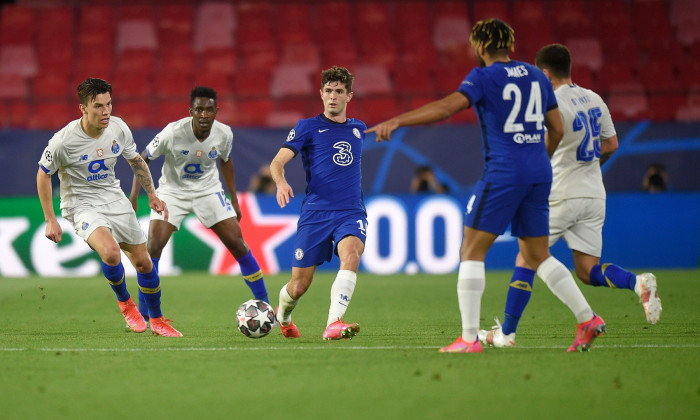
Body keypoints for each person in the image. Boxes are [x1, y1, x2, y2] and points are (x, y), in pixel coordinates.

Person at [366, 19, 606, 353]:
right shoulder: (538, 75)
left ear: (479, 47)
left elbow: (448, 106)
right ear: (509, 44)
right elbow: (557, 128)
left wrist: (398, 120)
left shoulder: (482, 76)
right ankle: (587, 319)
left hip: (504, 173)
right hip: (539, 173)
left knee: (471, 251)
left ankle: (468, 340)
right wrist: (537, 161)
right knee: (538, 255)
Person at [479, 44, 662, 348]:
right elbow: (612, 144)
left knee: (526, 257)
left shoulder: (549, 103)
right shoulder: (594, 99)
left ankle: (506, 333)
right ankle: (636, 282)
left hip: (560, 194)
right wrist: (584, 165)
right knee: (587, 270)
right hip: (593, 194)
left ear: (545, 73)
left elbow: (537, 146)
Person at [36, 78, 181, 337]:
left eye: (109, 104)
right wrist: (50, 218)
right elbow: (43, 174)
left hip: (113, 197)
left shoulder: (119, 128)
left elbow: (136, 161)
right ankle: (126, 304)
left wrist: (152, 194)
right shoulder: (63, 141)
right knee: (112, 253)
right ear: (83, 109)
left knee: (144, 263)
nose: (106, 112)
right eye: (99, 107)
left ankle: (158, 321)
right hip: (81, 203)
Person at [129, 86, 270, 323]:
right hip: (173, 191)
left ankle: (267, 307)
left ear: (216, 111)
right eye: (199, 109)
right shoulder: (172, 132)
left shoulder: (224, 134)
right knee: (153, 247)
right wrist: (135, 197)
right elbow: (142, 159)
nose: (204, 114)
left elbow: (226, 161)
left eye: (209, 109)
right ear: (191, 111)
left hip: (208, 191)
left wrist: (234, 199)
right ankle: (145, 314)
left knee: (238, 244)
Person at [270, 65, 365, 340]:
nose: (333, 96)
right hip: (316, 213)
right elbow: (278, 161)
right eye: (328, 91)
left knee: (351, 255)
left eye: (339, 91)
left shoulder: (359, 128)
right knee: (299, 285)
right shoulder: (307, 127)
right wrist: (281, 182)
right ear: (321, 94)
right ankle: (284, 317)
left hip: (350, 211)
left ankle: (334, 323)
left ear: (349, 96)